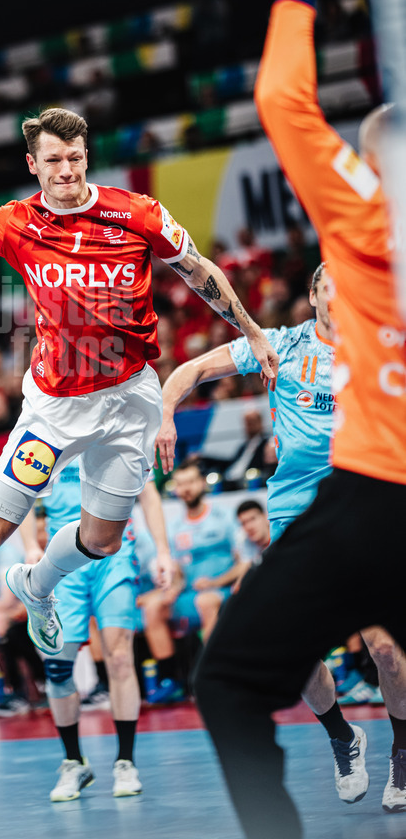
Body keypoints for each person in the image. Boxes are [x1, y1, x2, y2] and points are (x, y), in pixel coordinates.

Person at [0, 104, 278, 686]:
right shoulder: (17, 223)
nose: (67, 169)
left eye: (75, 157)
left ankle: (37, 587)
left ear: (86, 156)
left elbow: (198, 269)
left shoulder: (136, 212)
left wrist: (250, 329)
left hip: (130, 400)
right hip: (55, 409)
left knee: (101, 540)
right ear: (33, 163)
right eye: (54, 160)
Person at [190, 0, 406, 839]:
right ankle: (349, 741)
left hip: (370, 498)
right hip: (327, 497)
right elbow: (202, 363)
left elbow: (283, 104)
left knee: (229, 682)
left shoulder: (365, 228)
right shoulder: (295, 334)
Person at [159, 262, 406, 804]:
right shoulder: (280, 345)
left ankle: (403, 752)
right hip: (294, 505)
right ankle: (343, 736)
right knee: (293, 643)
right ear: (314, 295)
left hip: (361, 500)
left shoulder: (381, 346)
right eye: (330, 285)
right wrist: (166, 415)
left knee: (385, 648)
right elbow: (190, 371)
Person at [20, 460, 172, 802]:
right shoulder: (49, 427)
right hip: (64, 559)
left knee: (120, 658)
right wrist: (30, 545)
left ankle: (126, 761)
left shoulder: (118, 421)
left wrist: (162, 550)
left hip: (115, 555)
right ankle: (74, 761)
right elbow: (24, 490)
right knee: (57, 667)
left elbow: (148, 492)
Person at [140, 458, 240, 701]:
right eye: (180, 484)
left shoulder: (224, 517)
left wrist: (217, 582)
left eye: (191, 483)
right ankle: (170, 680)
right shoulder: (174, 527)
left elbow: (244, 561)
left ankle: (214, 677)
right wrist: (172, 587)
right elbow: (178, 574)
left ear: (202, 484)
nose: (186, 489)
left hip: (222, 592)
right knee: (154, 608)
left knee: (205, 601)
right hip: (189, 595)